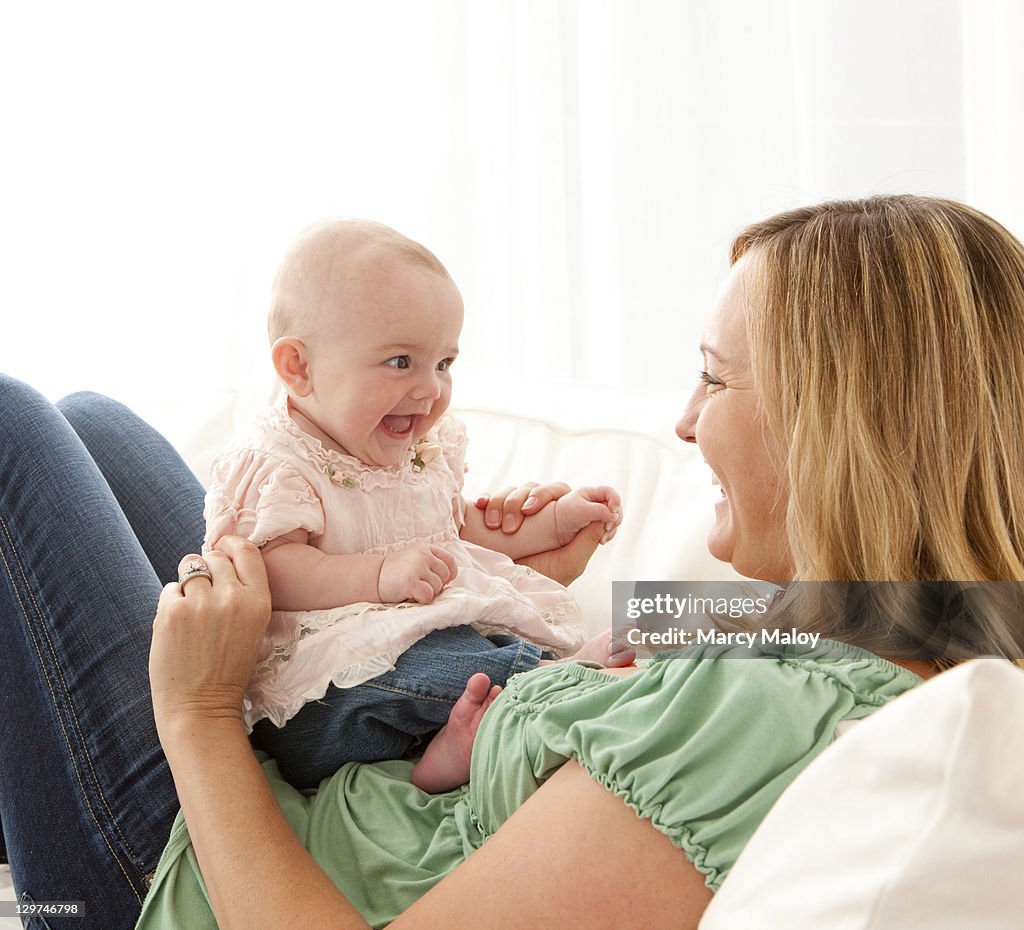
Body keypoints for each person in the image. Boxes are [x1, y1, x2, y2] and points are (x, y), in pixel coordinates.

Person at [1, 194, 1023, 930]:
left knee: (14, 433)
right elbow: (597, 646)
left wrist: (197, 715)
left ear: (839, 425)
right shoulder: (904, 619)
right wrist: (526, 569)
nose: (681, 421)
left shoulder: (757, 720)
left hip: (206, 876)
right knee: (94, 420)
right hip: (328, 764)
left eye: (713, 379)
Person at [204, 218, 628, 792]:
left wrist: (551, 524)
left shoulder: (419, 450)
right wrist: (378, 574)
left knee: (463, 652)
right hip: (320, 690)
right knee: (448, 660)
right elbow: (266, 573)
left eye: (444, 364)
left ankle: (450, 750)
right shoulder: (281, 463)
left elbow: (461, 531)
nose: (431, 389)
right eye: (401, 361)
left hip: (404, 670)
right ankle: (547, 685)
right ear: (298, 368)